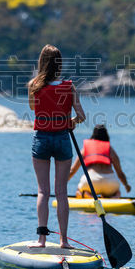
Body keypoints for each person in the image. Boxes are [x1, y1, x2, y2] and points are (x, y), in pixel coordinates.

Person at [29, 44, 86, 249]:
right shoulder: (69, 86)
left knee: (43, 191)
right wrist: (71, 121)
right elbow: (81, 116)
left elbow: (34, 108)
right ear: (59, 64)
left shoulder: (33, 85)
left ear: (41, 63)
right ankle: (64, 241)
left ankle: (41, 240)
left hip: (42, 139)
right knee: (61, 192)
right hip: (62, 139)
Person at [69, 124, 131, 198]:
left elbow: (72, 170)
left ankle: (86, 194)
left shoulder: (85, 149)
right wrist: (126, 185)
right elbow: (120, 173)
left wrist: (62, 183)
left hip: (91, 182)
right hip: (110, 183)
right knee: (117, 191)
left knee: (79, 190)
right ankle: (114, 197)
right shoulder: (110, 149)